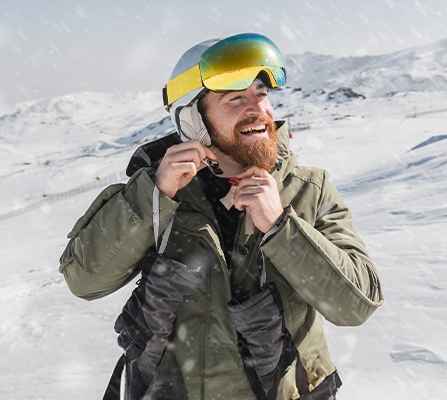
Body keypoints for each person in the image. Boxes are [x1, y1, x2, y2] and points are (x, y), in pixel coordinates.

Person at [58, 32, 382, 400]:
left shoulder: (309, 189)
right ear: (194, 119)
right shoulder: (157, 193)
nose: (258, 110)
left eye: (261, 95)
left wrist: (282, 227)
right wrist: (153, 195)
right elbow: (84, 280)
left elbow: (357, 305)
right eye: (236, 99)